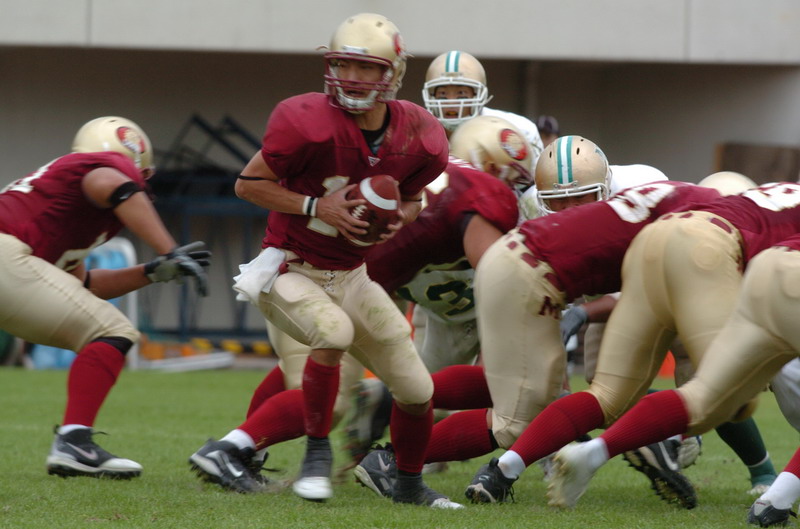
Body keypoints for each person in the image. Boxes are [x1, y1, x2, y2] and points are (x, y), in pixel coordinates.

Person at [187, 13, 461, 509]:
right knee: (332, 333)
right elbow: (247, 185)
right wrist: (316, 206)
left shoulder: (418, 134)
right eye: (343, 65)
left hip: (352, 276)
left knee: (417, 388)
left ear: (393, 73)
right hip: (289, 268)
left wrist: (399, 217)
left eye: (366, 67)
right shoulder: (305, 121)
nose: (352, 77)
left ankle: (408, 484)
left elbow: (413, 198)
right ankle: (316, 455)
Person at [353, 137, 725, 499]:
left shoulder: (651, 193)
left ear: (606, 186)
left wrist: (580, 315)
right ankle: (419, 458)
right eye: (558, 201)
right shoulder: (528, 206)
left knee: (573, 394)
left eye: (581, 197)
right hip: (533, 281)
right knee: (524, 409)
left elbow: (646, 286)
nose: (571, 210)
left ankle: (672, 437)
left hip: (625, 285)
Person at [540, 182, 800, 512]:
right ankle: (769, 496)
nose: (569, 206)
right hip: (731, 270)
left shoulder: (711, 202)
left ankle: (565, 457)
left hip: (682, 261)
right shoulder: (740, 222)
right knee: (728, 397)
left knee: (697, 393)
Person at [0, 116, 210, 479]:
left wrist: (150, 271)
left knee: (101, 327)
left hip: (12, 264)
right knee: (114, 331)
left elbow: (80, 288)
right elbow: (110, 182)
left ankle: (75, 444)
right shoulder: (105, 168)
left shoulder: (62, 201)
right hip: (6, 257)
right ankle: (74, 443)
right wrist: (170, 249)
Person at [421, 50, 544, 193]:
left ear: (479, 94)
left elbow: (536, 190)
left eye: (461, 93)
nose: (451, 102)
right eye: (443, 94)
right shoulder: (418, 133)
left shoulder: (518, 129)